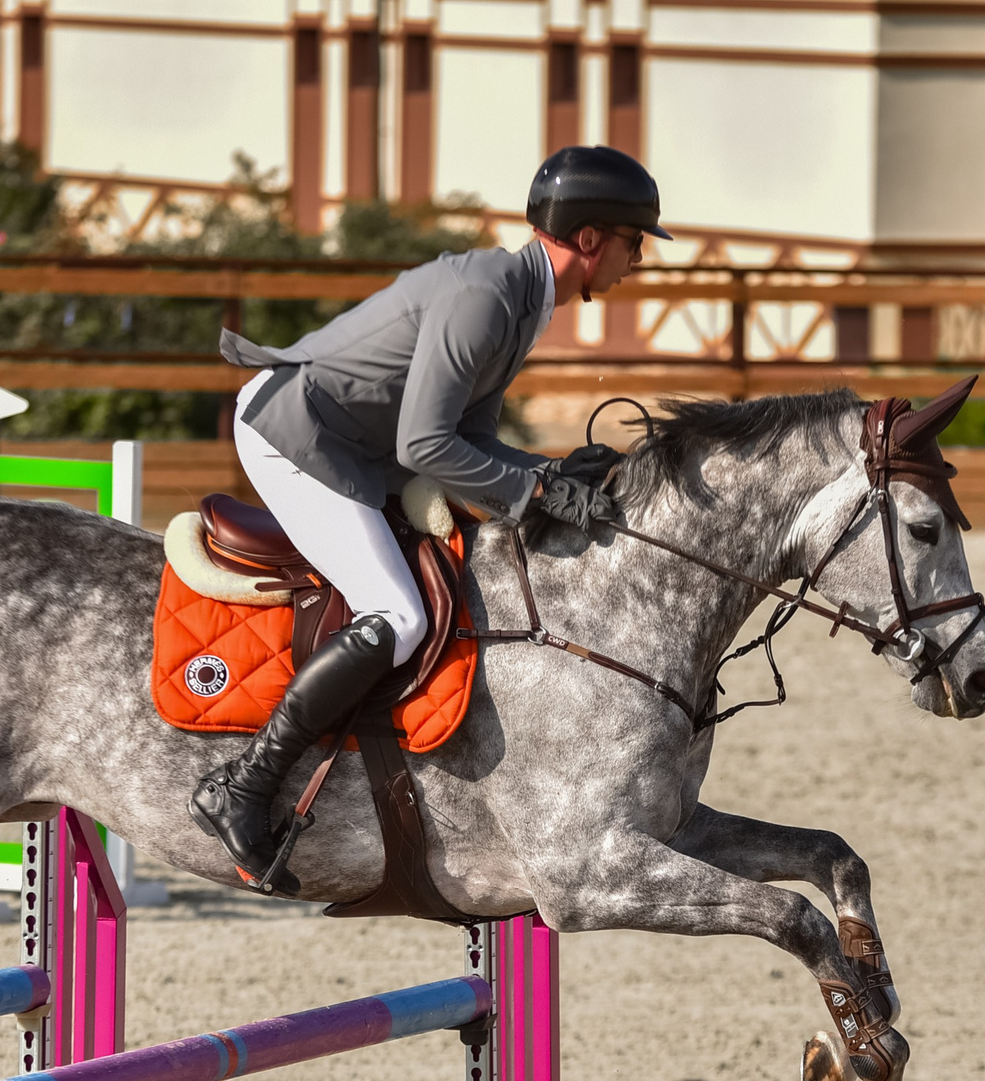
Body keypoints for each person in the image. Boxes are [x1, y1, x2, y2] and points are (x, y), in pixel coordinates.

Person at [191, 145, 662, 894]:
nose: (638, 261)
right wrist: (537, 497)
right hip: (296, 433)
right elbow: (425, 443)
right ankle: (244, 785)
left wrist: (544, 469)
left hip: (355, 441)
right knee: (399, 614)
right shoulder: (489, 297)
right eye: (636, 243)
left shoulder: (518, 296)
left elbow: (466, 437)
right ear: (591, 239)